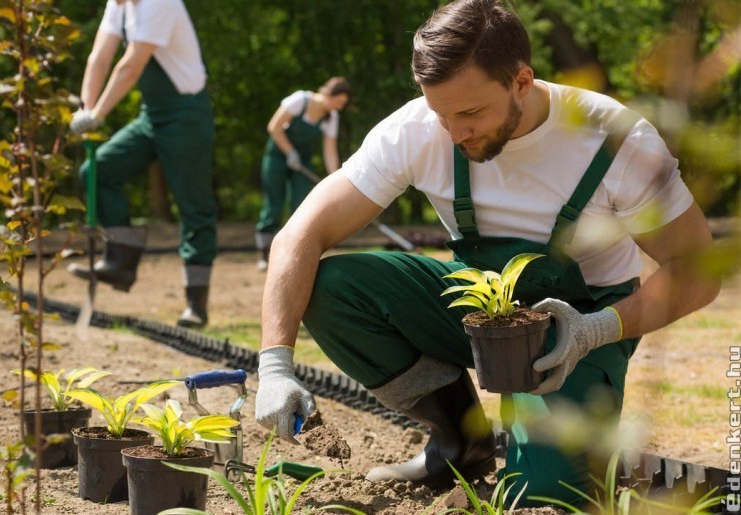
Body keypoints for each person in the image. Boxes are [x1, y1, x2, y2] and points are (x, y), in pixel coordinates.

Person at [253, 0, 720, 505]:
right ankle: (461, 439)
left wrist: (594, 331)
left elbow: (696, 273)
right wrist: (275, 365)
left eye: (471, 112)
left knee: (541, 495)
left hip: (578, 325)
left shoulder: (615, 142)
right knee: (333, 289)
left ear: (522, 81)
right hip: (478, 306)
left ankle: (565, 424)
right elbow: (299, 233)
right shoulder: (418, 129)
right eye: (441, 113)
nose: (454, 133)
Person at [69, 0, 217, 328]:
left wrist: (98, 115)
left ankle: (196, 305)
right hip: (151, 116)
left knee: (194, 208)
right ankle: (120, 262)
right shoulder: (119, 5)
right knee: (97, 171)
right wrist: (86, 107)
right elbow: (100, 57)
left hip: (186, 116)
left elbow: (130, 66)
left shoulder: (159, 2)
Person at [254, 77, 351, 271]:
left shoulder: (331, 117)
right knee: (273, 205)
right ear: (328, 94)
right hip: (278, 157)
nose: (338, 108)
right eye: (338, 102)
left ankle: (291, 255)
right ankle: (264, 255)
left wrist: (335, 178)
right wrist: (289, 152)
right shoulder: (300, 100)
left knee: (300, 206)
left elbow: (329, 150)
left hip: (302, 163)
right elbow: (274, 126)